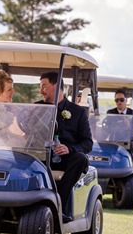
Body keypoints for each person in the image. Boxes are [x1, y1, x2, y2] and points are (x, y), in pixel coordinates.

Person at [36, 71, 93, 222]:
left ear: (56, 86)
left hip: (66, 159)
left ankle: (59, 203)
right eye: (40, 87)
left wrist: (70, 148)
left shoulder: (78, 112)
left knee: (80, 158)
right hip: (41, 156)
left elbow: (88, 143)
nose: (41, 91)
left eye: (44, 86)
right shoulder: (36, 108)